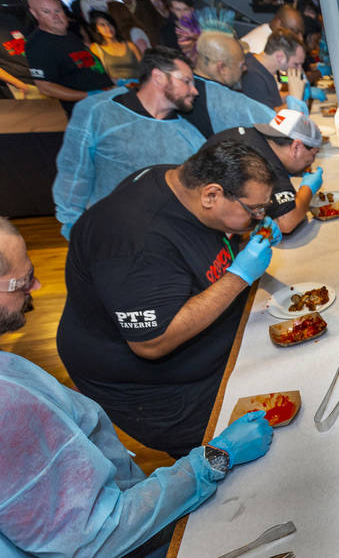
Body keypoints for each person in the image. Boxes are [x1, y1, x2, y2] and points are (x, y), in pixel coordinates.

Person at [0, 218, 275, 556]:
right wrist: (217, 457)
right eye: (23, 281)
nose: (38, 285)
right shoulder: (8, 406)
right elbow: (99, 537)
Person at [57, 140, 279, 458]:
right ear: (212, 195)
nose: (258, 216)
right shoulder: (136, 242)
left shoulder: (175, 181)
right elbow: (152, 343)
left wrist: (244, 233)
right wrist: (239, 277)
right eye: (253, 209)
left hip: (199, 355)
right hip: (154, 390)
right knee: (229, 460)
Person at [53, 47, 206, 238]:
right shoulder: (99, 112)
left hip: (161, 243)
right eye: (187, 81)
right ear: (158, 77)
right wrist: (75, 230)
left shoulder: (191, 138)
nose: (195, 91)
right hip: (105, 235)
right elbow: (74, 175)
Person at [203, 109, 324, 234]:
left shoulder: (257, 140)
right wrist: (308, 188)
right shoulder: (262, 162)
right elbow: (286, 222)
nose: (312, 161)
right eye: (313, 154)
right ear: (296, 147)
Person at [25, 0, 112, 114]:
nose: (56, 16)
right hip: (87, 111)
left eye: (58, 11)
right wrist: (87, 95)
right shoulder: (38, 44)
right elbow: (45, 87)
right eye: (46, 12)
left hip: (105, 102)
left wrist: (113, 81)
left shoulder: (69, 35)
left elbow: (87, 67)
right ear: (35, 14)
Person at [181, 30, 276, 139]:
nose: (245, 69)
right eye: (241, 65)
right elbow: (276, 125)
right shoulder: (230, 102)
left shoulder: (181, 89)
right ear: (222, 68)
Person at [241, 29, 307, 111]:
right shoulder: (253, 77)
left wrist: (294, 94)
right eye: (296, 64)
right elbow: (268, 118)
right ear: (280, 57)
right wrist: (295, 100)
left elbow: (271, 99)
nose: (299, 69)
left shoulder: (263, 68)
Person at [87, 10, 142, 84]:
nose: (108, 27)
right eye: (102, 25)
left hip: (139, 84)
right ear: (97, 29)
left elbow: (143, 67)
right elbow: (98, 73)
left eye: (109, 24)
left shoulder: (130, 45)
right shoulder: (96, 48)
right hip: (120, 89)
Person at [240, 4, 305, 54]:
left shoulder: (269, 34)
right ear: (278, 24)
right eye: (295, 32)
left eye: (302, 33)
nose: (301, 38)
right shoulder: (261, 45)